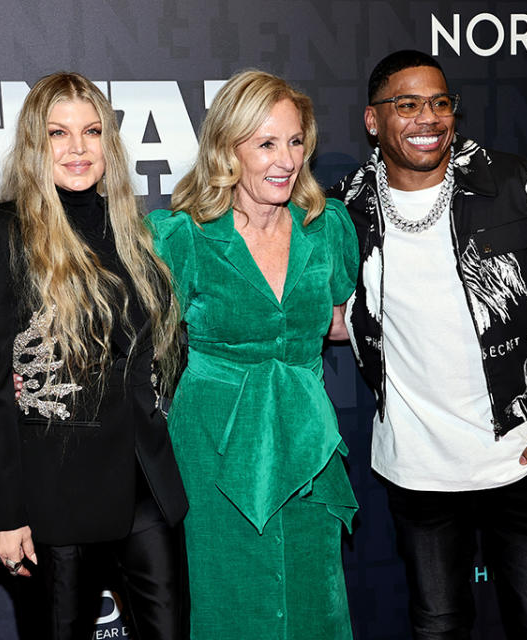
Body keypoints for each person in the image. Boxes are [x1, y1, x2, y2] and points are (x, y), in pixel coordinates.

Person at [327, 50, 527, 639]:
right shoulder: (345, 208)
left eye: (439, 103)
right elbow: (330, 305)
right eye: (407, 104)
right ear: (372, 120)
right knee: (438, 624)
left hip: (519, 451)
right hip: (418, 463)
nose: (427, 117)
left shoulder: (510, 182)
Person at [0, 71, 189, 640]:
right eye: (59, 133)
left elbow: (160, 349)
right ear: (35, 143)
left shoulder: (134, 231)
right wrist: (3, 515)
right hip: (55, 497)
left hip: (145, 487)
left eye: (92, 132)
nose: (78, 149)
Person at [145, 70, 359, 640]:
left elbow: (341, 321)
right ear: (227, 150)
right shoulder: (183, 237)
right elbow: (132, 334)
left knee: (315, 589)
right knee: (228, 592)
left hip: (305, 437)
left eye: (294, 142)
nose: (285, 159)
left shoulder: (326, 229)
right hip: (215, 442)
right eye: (265, 143)